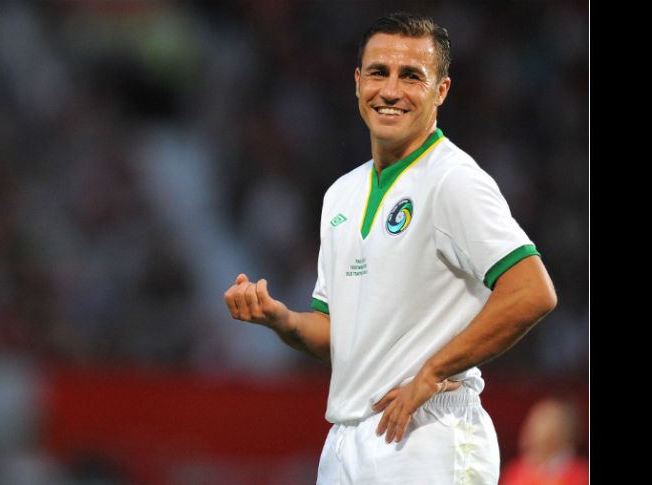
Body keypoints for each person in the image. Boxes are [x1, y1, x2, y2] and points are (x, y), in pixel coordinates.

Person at [223, 11, 557, 485]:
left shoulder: (452, 180)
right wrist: (283, 321)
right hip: (346, 440)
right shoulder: (341, 194)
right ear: (358, 82)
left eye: (411, 76)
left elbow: (532, 291)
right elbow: (337, 335)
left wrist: (433, 371)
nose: (391, 90)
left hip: (429, 432)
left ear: (441, 90)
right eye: (379, 72)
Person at [500, 398, 589, 485]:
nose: (532, 427)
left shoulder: (582, 476)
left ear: (564, 432)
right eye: (533, 420)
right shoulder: (514, 472)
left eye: (543, 421)